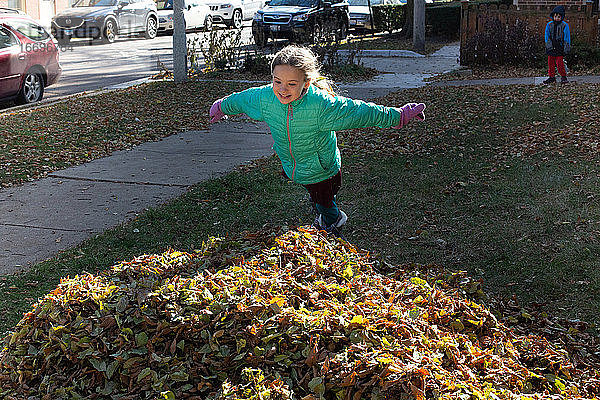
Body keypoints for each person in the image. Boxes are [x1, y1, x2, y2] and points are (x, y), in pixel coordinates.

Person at [209, 45, 425, 237]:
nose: (283, 89)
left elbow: (361, 112)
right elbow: (242, 99)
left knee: (324, 201)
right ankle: (320, 206)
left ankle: (334, 221)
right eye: (277, 81)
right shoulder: (266, 98)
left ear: (306, 83)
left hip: (322, 168)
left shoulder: (322, 106)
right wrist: (222, 106)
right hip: (295, 164)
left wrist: (398, 116)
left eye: (291, 83)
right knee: (312, 191)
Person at [543, 5, 571, 84]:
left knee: (560, 63)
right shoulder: (549, 25)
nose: (557, 18)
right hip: (551, 47)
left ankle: (563, 77)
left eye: (559, 16)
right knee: (550, 63)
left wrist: (566, 48)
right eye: (555, 16)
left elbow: (566, 37)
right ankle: (551, 77)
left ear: (562, 17)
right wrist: (549, 46)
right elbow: (547, 36)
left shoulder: (564, 25)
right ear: (553, 16)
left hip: (559, 47)